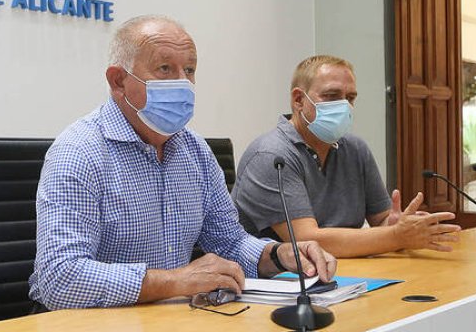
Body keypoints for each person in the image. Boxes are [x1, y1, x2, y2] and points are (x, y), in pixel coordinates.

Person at [29, 16, 336, 310]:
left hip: (167, 323)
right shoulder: (78, 152)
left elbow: (229, 242)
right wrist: (176, 281)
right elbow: (61, 278)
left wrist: (280, 254)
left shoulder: (194, 150)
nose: (183, 83)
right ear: (118, 80)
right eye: (165, 68)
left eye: (189, 70)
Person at [232, 55, 461, 257]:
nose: (344, 106)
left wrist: (394, 224)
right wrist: (395, 236)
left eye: (350, 98)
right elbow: (307, 240)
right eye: (332, 96)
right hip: (276, 284)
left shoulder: (355, 149)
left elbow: (380, 221)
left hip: (347, 274)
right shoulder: (272, 155)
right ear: (299, 100)